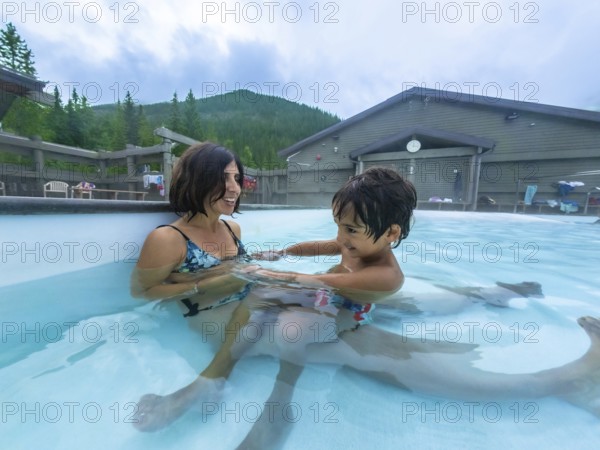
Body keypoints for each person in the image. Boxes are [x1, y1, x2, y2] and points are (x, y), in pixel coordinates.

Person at [132, 167, 419, 434]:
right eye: (338, 225)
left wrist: (262, 273)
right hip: (328, 296)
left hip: (350, 314)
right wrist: (282, 252)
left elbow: (322, 282)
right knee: (260, 297)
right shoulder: (353, 243)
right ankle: (213, 379)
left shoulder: (388, 276)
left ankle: (281, 400)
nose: (340, 237)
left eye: (350, 230)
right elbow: (319, 247)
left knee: (294, 330)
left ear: (391, 233)